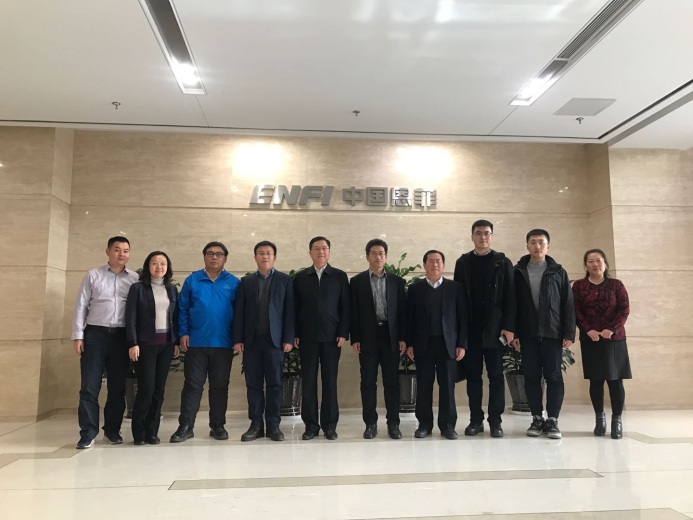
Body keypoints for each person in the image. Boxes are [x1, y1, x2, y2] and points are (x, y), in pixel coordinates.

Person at [71, 236, 139, 449]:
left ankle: (112, 431)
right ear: (108, 251)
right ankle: (88, 433)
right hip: (95, 335)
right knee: (89, 387)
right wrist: (78, 336)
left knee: (117, 388)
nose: (121, 254)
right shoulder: (93, 275)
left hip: (121, 337)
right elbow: (81, 306)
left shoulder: (135, 279)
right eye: (117, 249)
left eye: (125, 250)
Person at [170, 242, 239, 443]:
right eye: (210, 253)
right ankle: (186, 426)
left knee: (220, 386)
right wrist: (183, 332)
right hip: (196, 342)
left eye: (219, 254)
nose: (214, 257)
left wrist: (237, 339)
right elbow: (182, 309)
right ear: (204, 256)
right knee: (192, 385)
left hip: (223, 343)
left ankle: (217, 426)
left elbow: (240, 313)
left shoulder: (233, 282)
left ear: (225, 258)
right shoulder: (193, 280)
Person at [453, 219, 515, 438]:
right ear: (472, 236)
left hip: (495, 329)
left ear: (492, 236)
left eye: (487, 233)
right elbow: (457, 298)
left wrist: (509, 327)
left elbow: (511, 296)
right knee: (473, 377)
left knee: (496, 376)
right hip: (471, 329)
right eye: (478, 233)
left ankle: (495, 421)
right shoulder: (462, 262)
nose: (483, 237)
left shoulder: (503, 262)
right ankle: (475, 420)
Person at [512, 229, 575, 439]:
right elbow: (512, 305)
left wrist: (569, 332)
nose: (537, 246)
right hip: (527, 332)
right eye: (533, 242)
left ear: (548, 246)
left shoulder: (558, 272)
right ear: (527, 246)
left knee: (554, 376)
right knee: (531, 377)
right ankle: (537, 418)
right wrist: (515, 333)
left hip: (552, 332)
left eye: (541, 242)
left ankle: (553, 420)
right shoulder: (518, 271)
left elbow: (568, 304)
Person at [233, 241, 295, 442]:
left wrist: (288, 338)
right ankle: (256, 425)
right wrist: (238, 339)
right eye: (261, 253)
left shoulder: (285, 280)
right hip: (252, 341)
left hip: (275, 342)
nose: (265, 256)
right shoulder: (246, 282)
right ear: (255, 257)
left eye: (269, 253)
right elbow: (239, 312)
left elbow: (289, 311)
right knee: (253, 384)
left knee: (275, 384)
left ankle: (274, 425)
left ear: (274, 257)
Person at [293, 236, 350, 440]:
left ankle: (329, 426)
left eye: (324, 248)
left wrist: (343, 332)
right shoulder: (300, 277)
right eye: (316, 248)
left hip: (332, 338)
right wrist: (295, 333)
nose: (320, 252)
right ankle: (311, 426)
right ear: (310, 252)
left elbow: (345, 307)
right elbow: (294, 308)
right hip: (307, 338)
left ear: (329, 252)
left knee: (330, 383)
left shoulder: (339, 276)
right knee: (308, 383)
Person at [406, 250, 467, 440]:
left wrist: (461, 344)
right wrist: (409, 344)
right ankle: (424, 425)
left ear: (444, 265)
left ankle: (448, 426)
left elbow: (462, 318)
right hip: (423, 344)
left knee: (447, 386)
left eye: (438, 261)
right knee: (424, 385)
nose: (435, 264)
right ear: (424, 265)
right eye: (431, 261)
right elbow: (409, 319)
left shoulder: (455, 288)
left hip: (447, 344)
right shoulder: (415, 289)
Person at [350, 239, 407, 440]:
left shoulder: (397, 282)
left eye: (381, 253)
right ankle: (370, 424)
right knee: (368, 382)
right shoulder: (356, 282)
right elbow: (353, 312)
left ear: (386, 256)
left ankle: (393, 424)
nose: (377, 257)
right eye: (373, 253)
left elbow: (402, 312)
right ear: (367, 256)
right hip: (368, 337)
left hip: (391, 336)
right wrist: (355, 338)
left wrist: (403, 338)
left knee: (392, 383)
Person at [572, 248, 631, 439]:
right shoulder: (579, 286)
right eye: (590, 261)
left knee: (615, 381)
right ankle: (599, 419)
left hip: (614, 340)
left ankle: (617, 420)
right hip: (591, 340)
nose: (595, 264)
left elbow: (624, 310)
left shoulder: (616, 285)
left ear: (605, 263)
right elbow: (575, 311)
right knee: (596, 381)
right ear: (585, 265)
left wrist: (612, 329)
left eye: (598, 260)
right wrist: (588, 330)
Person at [125, 251, 179, 445]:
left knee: (158, 390)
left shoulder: (171, 289)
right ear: (148, 266)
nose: (159, 267)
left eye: (163, 263)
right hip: (145, 345)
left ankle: (152, 432)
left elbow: (175, 317)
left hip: (166, 345)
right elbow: (130, 317)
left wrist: (175, 342)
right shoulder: (138, 288)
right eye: (154, 263)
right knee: (146, 389)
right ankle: (139, 433)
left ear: (167, 267)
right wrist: (133, 342)